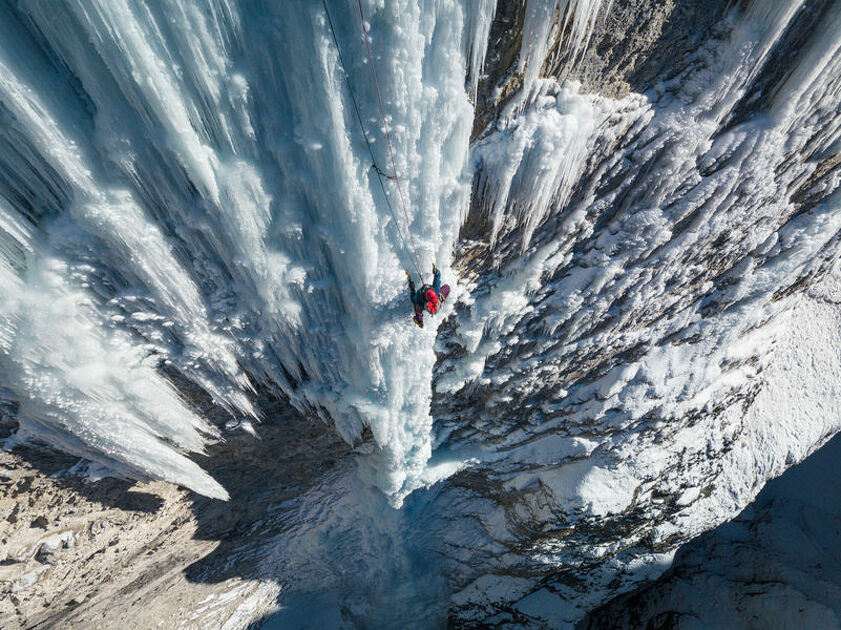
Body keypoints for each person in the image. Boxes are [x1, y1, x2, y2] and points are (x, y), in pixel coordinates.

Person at [407, 264, 450, 328]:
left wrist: (412, 288)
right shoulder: (435, 289)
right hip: (436, 301)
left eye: (427, 288)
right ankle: (420, 321)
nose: (426, 287)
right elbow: (437, 277)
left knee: (417, 306)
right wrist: (436, 271)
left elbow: (413, 298)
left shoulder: (419, 299)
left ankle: (420, 321)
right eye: (427, 289)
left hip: (434, 305)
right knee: (447, 287)